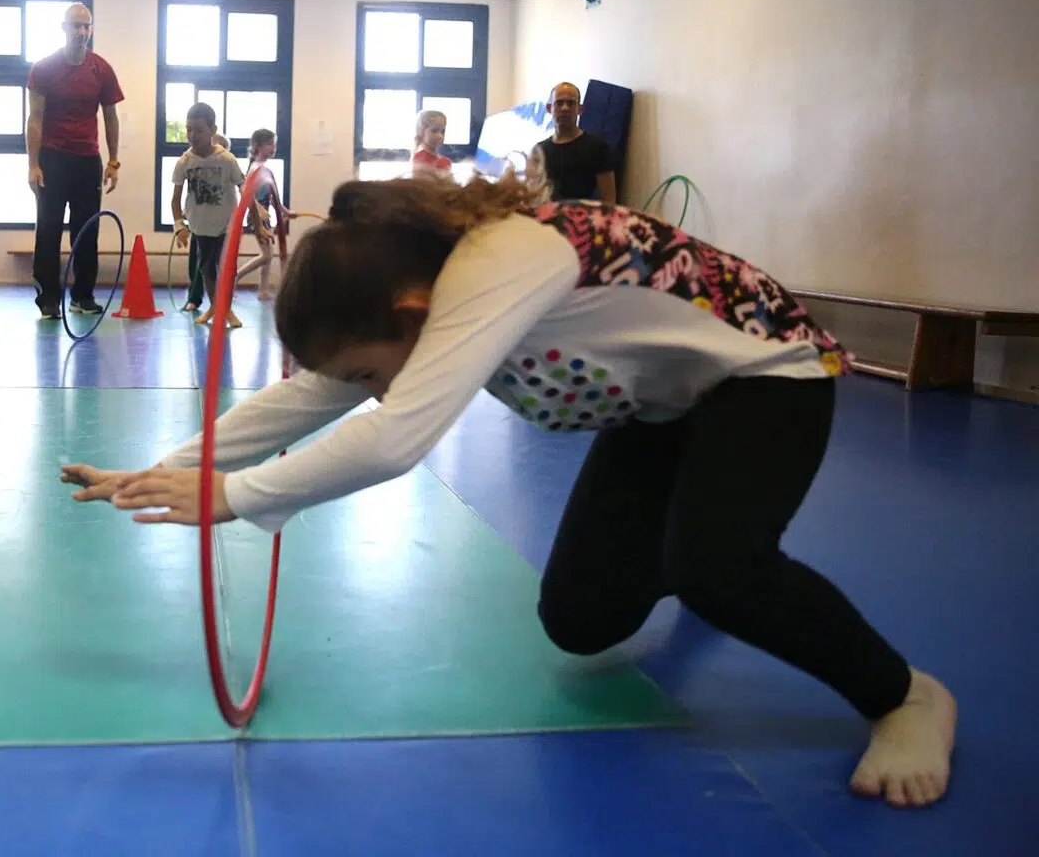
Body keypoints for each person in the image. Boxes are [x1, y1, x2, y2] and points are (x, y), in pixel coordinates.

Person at [61, 173, 957, 811]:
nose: (369, 387)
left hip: (768, 378)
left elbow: (396, 437)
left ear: (411, 314)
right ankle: (697, 551)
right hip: (661, 411)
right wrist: (177, 466)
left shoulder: (501, 263)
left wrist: (236, 496)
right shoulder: (410, 298)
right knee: (580, 621)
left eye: (371, 370)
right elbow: (308, 399)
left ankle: (905, 695)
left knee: (719, 566)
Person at [27, 3, 124, 320]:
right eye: (75, 26)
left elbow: (110, 117)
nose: (81, 32)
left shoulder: (101, 69)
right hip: (52, 159)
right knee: (49, 228)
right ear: (64, 27)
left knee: (87, 230)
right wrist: (33, 164)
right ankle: (48, 299)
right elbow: (35, 118)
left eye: (86, 26)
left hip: (87, 160)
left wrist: (113, 161)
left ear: (90, 29)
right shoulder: (44, 68)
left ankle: (82, 296)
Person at [170, 103, 244, 329]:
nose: (192, 135)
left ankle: (225, 309)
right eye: (188, 129)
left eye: (199, 130)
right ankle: (216, 307)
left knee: (226, 268)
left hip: (226, 225)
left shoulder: (226, 160)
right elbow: (175, 200)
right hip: (201, 226)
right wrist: (179, 226)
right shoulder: (185, 162)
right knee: (207, 268)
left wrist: (258, 221)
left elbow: (244, 188)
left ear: (213, 130)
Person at [234, 128, 291, 303]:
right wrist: (258, 210)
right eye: (269, 144)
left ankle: (263, 290)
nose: (273, 148)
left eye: (274, 144)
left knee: (268, 254)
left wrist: (285, 212)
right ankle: (236, 276)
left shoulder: (265, 170)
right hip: (256, 217)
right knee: (267, 255)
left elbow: (272, 197)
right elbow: (246, 194)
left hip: (265, 216)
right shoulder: (255, 169)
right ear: (258, 146)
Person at [537, 82, 616, 203]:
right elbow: (533, 195)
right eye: (559, 103)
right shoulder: (539, 151)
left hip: (582, 213)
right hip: (546, 213)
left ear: (580, 109)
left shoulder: (597, 148)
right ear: (549, 108)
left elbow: (609, 200)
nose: (565, 108)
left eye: (571, 103)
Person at [411, 110, 452, 180]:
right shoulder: (419, 159)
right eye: (434, 131)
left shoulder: (446, 161)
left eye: (442, 131)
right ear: (421, 132)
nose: (440, 136)